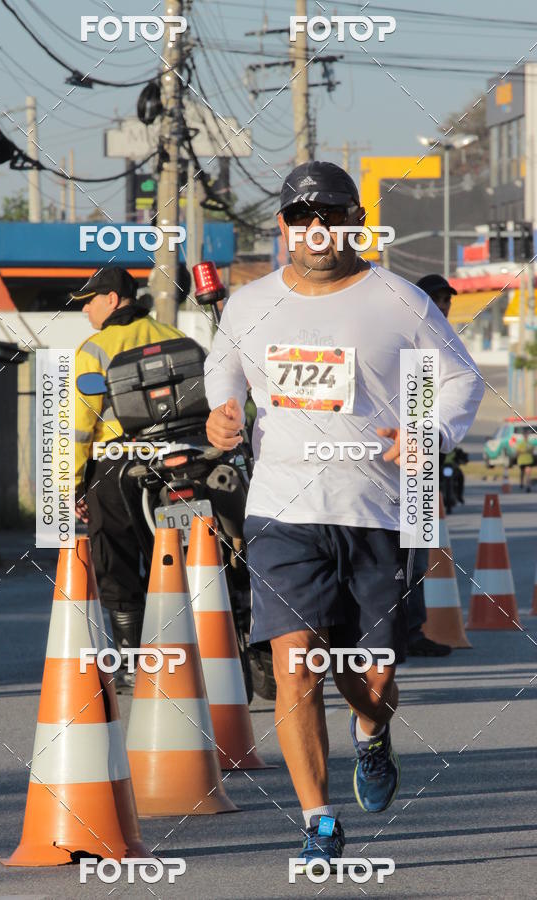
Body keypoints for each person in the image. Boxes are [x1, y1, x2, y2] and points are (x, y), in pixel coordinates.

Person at [204, 161, 485, 873]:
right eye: (301, 217)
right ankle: (317, 821)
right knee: (295, 666)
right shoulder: (250, 303)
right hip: (283, 508)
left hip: (378, 510)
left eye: (330, 214)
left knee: (374, 675)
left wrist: (429, 432)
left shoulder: (397, 300)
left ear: (354, 221)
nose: (316, 228)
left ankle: (371, 732)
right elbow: (224, 367)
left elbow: (461, 379)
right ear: (284, 227)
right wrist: (222, 411)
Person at [72, 266, 184, 690]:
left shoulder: (95, 348)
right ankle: (188, 652)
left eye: (90, 300)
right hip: (175, 462)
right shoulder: (175, 338)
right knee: (176, 557)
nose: (86, 309)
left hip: (116, 464)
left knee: (114, 559)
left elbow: (80, 425)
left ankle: (133, 661)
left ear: (114, 299)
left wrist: (73, 485)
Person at [405, 273, 462, 657]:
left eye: (446, 300)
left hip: (425, 463)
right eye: (435, 299)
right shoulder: (412, 346)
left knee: (416, 549)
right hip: (402, 462)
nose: (442, 306)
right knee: (400, 552)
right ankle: (400, 631)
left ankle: (410, 629)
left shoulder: (445, 347)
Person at [516, 427, 534, 491]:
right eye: (525, 436)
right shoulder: (520, 444)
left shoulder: (530, 444)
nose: (526, 437)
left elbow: (532, 451)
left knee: (528, 474)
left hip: (528, 460)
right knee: (522, 473)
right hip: (522, 461)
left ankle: (528, 486)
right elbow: (517, 452)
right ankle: (521, 483)